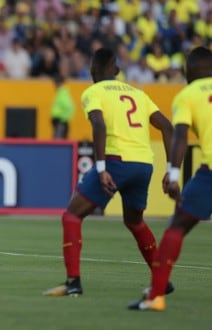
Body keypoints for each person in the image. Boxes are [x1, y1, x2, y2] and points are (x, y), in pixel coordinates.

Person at [43, 47, 174, 296]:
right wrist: (171, 170)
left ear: (92, 71)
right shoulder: (138, 93)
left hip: (116, 162)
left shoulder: (93, 91)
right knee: (134, 221)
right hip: (145, 164)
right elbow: (167, 127)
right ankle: (162, 281)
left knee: (72, 215)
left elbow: (99, 124)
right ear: (117, 71)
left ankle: (73, 283)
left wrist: (102, 167)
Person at [128, 46, 212, 311]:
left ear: (188, 74)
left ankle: (156, 296)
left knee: (176, 227)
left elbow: (179, 136)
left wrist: (173, 175)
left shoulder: (186, 96)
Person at [50, 75, 75, 139]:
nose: (54, 85)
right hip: (59, 122)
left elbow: (69, 107)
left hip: (60, 122)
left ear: (59, 83)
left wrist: (63, 119)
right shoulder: (61, 92)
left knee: (58, 141)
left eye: (55, 83)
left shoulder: (62, 93)